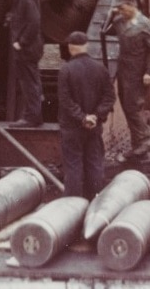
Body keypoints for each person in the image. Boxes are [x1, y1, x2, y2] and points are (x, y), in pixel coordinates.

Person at [57, 30, 116, 199]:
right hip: (94, 126)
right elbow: (110, 97)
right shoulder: (100, 69)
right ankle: (96, 201)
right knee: (95, 165)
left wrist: (82, 117)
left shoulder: (65, 70)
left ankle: (73, 206)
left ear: (70, 48)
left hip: (72, 128)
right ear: (86, 46)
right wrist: (95, 116)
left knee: (74, 166)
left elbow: (65, 100)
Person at [112, 0, 150, 158]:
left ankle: (145, 140)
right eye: (120, 10)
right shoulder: (119, 21)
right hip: (124, 69)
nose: (121, 12)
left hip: (138, 72)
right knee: (126, 104)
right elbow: (111, 26)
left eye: (124, 9)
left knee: (133, 106)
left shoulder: (144, 25)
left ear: (132, 7)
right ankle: (137, 144)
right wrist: (113, 13)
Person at [6, 0, 43, 126]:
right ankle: (33, 115)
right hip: (30, 47)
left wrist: (21, 42)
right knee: (31, 81)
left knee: (29, 83)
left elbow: (34, 22)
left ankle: (32, 118)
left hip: (27, 48)